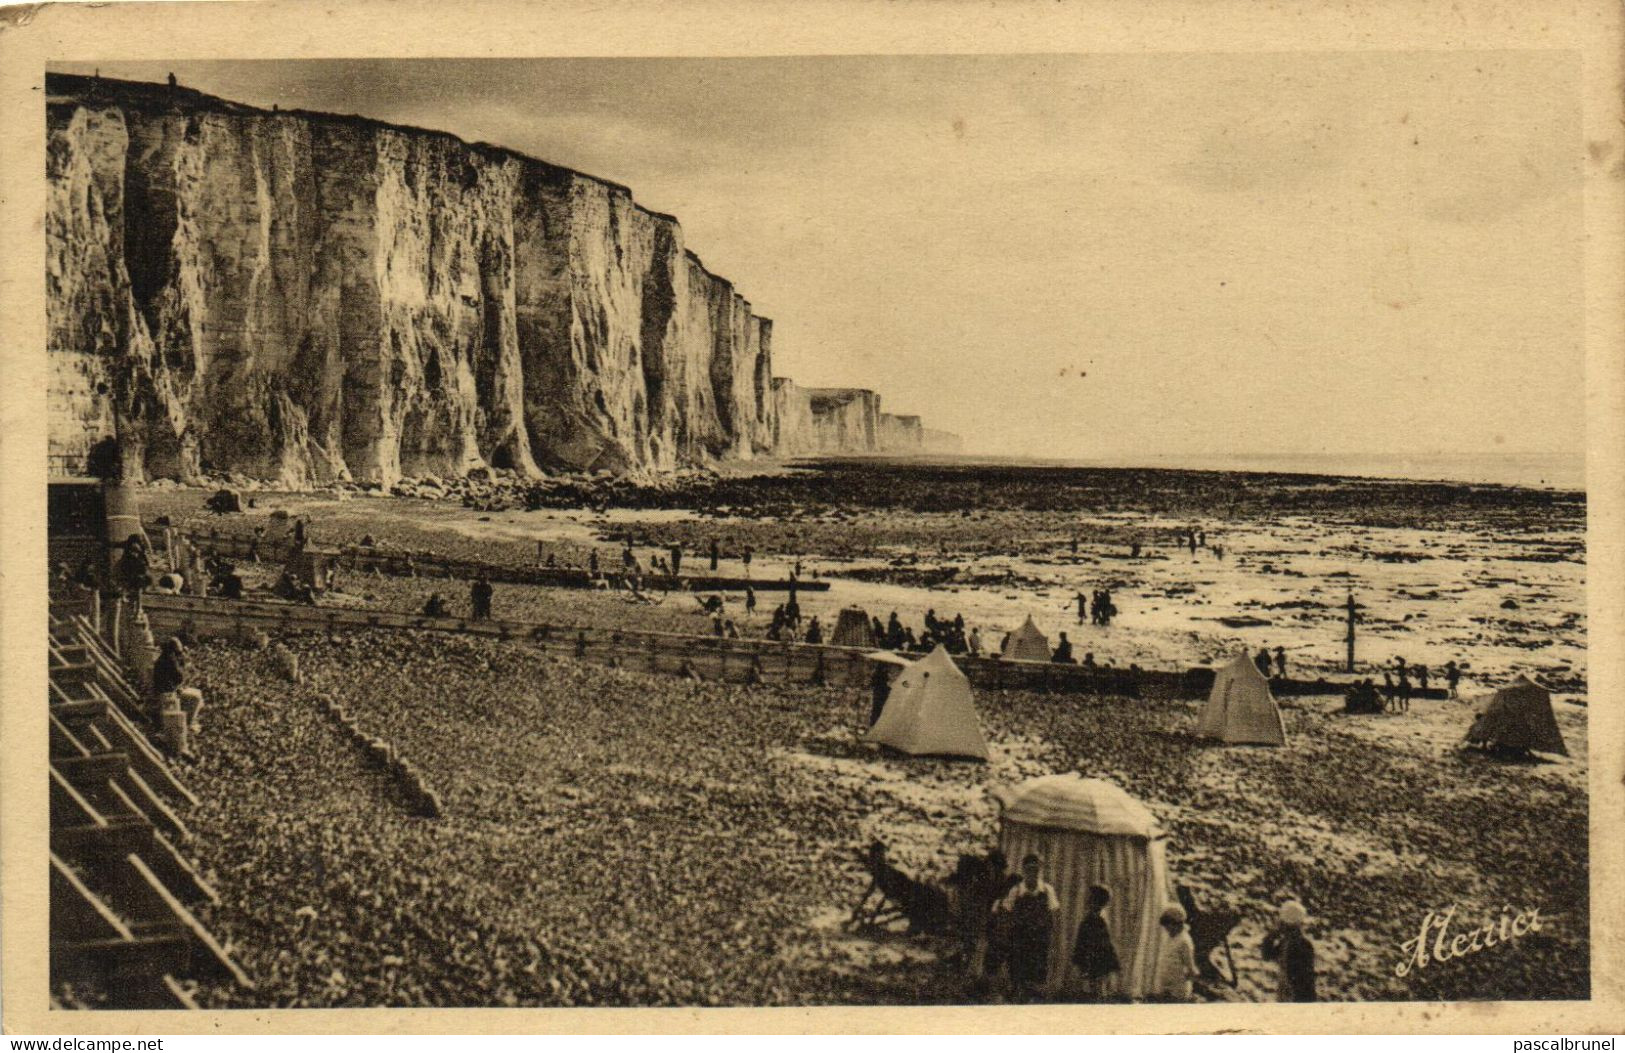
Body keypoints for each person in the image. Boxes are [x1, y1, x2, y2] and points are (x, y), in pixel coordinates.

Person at [998, 854, 1059, 1000]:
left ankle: (1033, 1000)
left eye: (1036, 870)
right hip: (1020, 938)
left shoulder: (1047, 890)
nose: (1033, 873)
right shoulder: (1016, 890)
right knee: (1018, 970)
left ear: (1040, 871)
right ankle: (1017, 996)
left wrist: (1051, 936)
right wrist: (1008, 934)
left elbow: (1054, 914)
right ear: (1024, 871)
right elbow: (1006, 913)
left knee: (1037, 972)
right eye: (1029, 870)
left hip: (1039, 938)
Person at [1071, 885, 1121, 1000]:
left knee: (1096, 984)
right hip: (1091, 956)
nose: (1088, 901)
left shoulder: (1098, 919)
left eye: (1091, 899)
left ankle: (1097, 999)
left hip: (1096, 956)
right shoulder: (1091, 919)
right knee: (1092, 984)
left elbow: (1104, 942)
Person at [1261, 900, 1317, 1002]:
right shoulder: (1290, 943)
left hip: (1295, 997)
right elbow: (1267, 955)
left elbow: (1302, 980)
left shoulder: (1298, 944)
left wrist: (1273, 934)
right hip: (1291, 996)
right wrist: (1273, 935)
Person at [1153, 904, 1200, 1002]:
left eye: (1169, 927)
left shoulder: (1184, 941)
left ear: (1178, 924)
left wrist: (1186, 977)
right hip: (1166, 985)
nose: (1167, 930)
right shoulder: (1170, 938)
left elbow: (1190, 966)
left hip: (1177, 988)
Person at [869, 663, 893, 727]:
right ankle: (876, 723)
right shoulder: (882, 674)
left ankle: (874, 723)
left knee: (877, 709)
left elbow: (872, 684)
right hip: (881, 693)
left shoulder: (876, 674)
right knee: (879, 709)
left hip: (878, 693)